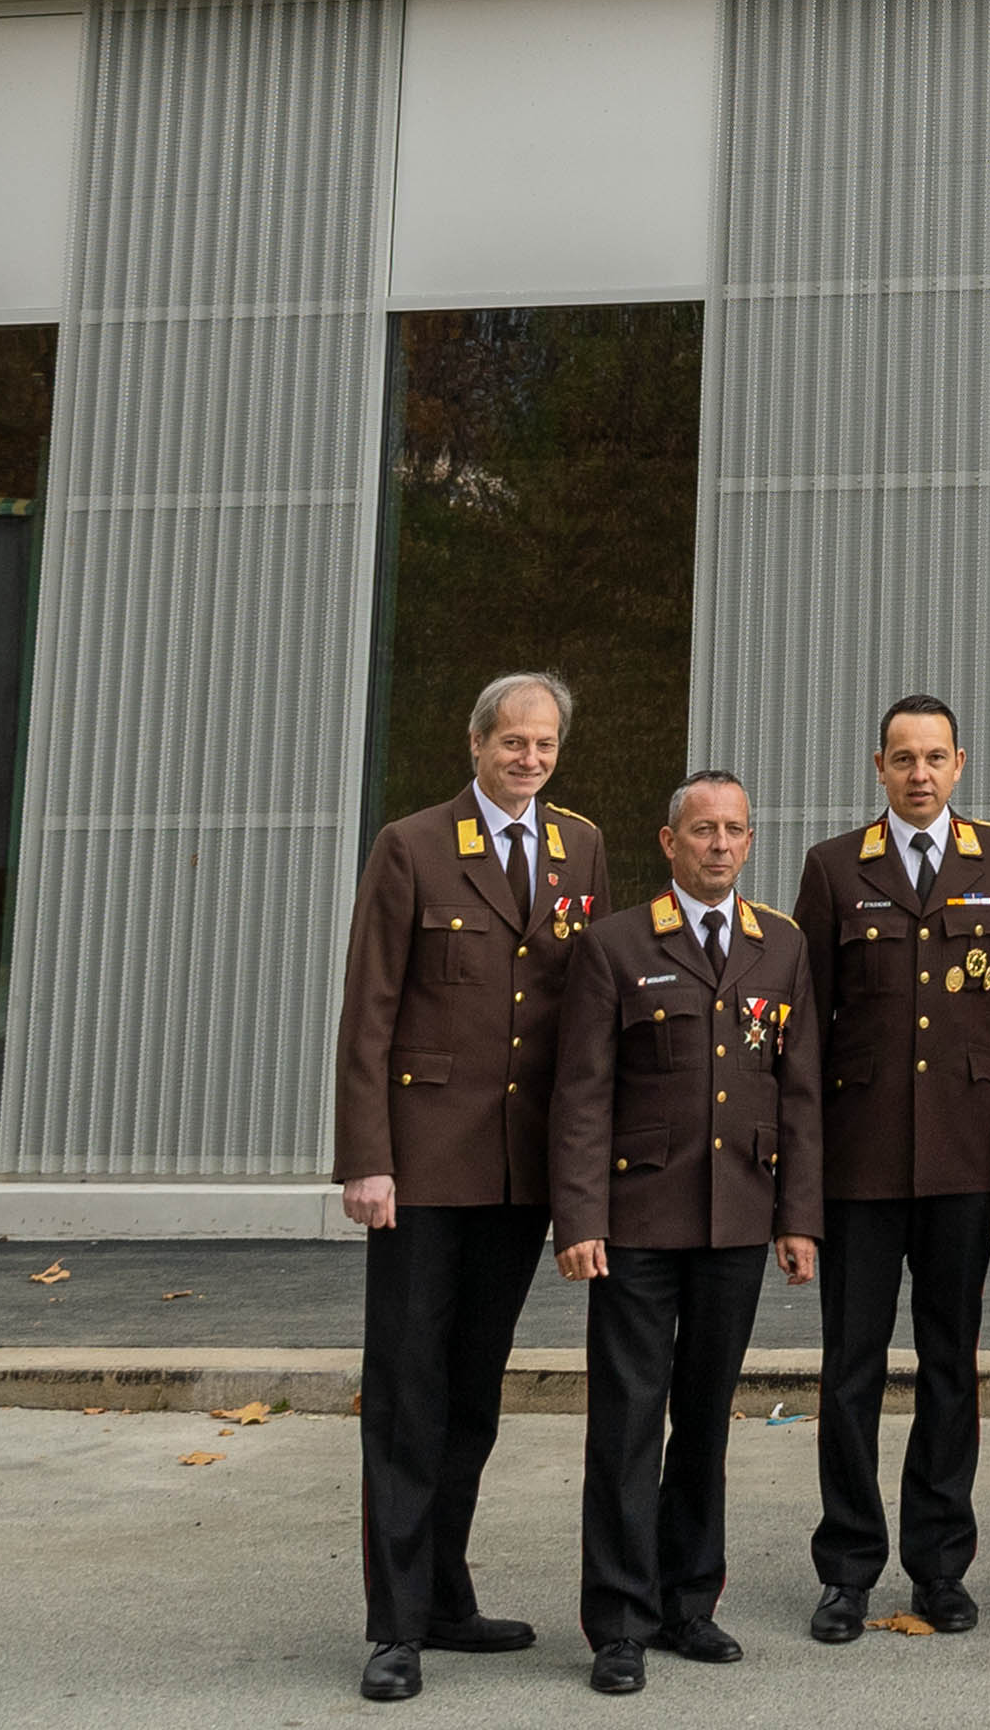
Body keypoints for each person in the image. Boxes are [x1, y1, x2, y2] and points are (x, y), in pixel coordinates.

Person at [333, 668, 598, 1705]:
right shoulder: (410, 845)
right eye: (511, 744)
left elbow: (589, 1016)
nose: (527, 760)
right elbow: (369, 1010)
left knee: (474, 1396)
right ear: (475, 742)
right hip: (423, 1166)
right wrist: (366, 1157)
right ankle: (394, 1626)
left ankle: (445, 1594)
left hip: (521, 1169)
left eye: (543, 747)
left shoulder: (579, 846)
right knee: (408, 1393)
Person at [549, 773, 820, 1697]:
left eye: (733, 830)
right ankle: (618, 1622)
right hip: (635, 1224)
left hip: (738, 1219)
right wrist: (580, 1218)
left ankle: (689, 1603)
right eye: (700, 830)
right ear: (668, 843)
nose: (718, 845)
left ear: (750, 842)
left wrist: (798, 1219)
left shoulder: (778, 944)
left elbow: (800, 1096)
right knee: (627, 1424)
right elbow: (580, 1094)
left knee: (704, 1419)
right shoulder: (615, 944)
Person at [789, 693, 990, 1639]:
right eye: (903, 758)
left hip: (963, 1158)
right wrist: (800, 1179)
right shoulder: (830, 869)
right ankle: (848, 1567)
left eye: (935, 757)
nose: (920, 774)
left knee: (950, 1364)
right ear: (878, 767)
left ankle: (939, 1563)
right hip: (856, 1164)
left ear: (961, 763)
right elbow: (804, 1031)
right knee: (849, 1369)